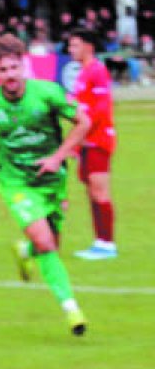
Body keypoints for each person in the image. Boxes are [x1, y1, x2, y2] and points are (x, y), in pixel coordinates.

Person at [0, 35, 91, 336]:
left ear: (24, 66)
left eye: (14, 68)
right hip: (15, 182)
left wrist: (58, 157)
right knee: (47, 243)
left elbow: (84, 122)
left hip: (52, 179)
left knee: (50, 243)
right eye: (3, 70)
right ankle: (71, 309)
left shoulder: (48, 93)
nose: (10, 75)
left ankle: (25, 250)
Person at [66, 29, 119, 260]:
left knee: (100, 192)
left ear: (88, 46)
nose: (71, 50)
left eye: (75, 45)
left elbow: (99, 109)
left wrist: (81, 133)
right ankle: (99, 241)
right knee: (91, 192)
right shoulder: (84, 73)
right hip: (86, 141)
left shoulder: (97, 71)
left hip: (97, 140)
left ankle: (108, 243)